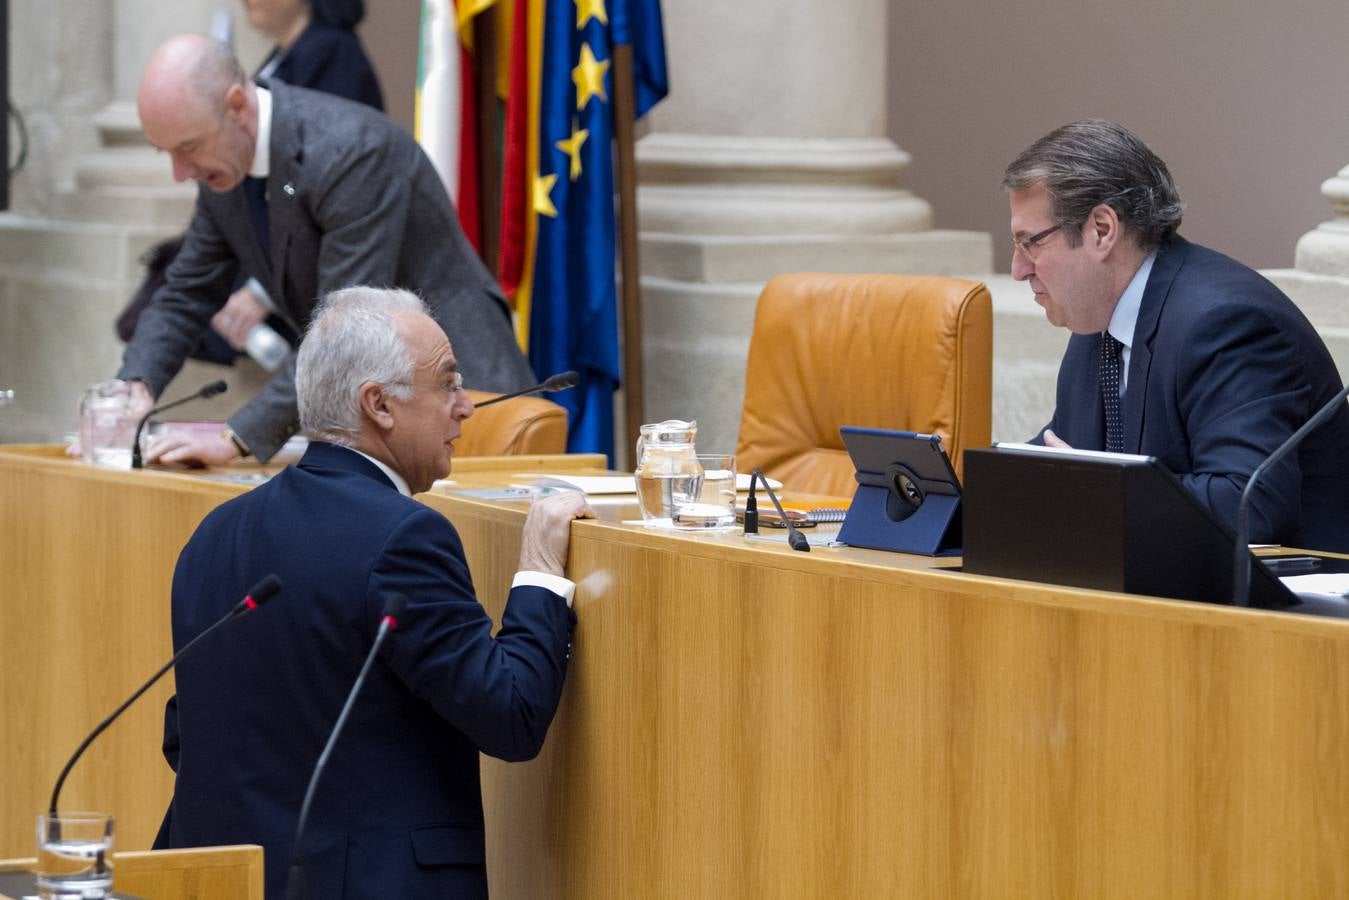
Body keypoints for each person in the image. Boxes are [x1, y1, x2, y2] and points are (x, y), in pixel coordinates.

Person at [155, 285, 595, 899]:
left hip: (222, 881)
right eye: (447, 383)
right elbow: (510, 716)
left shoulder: (215, 533)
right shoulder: (404, 537)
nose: (466, 407)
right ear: (379, 405)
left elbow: (188, 735)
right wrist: (542, 566)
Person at [118, 34, 534, 466]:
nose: (179, 173)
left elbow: (341, 334)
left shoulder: (350, 151)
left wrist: (235, 438)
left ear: (237, 106)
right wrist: (131, 393)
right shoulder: (223, 172)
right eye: (165, 153)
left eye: (187, 148)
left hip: (464, 398)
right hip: (384, 409)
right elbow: (187, 292)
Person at [1005, 119, 1349, 551]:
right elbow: (1062, 462)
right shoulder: (1097, 328)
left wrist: (1094, 492)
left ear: (1102, 230)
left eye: (1029, 242)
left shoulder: (1225, 323)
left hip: (1284, 605)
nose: (1019, 269)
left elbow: (1250, 503)